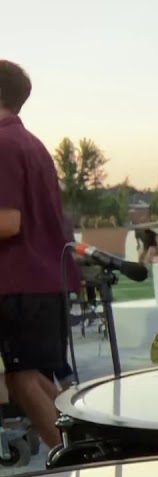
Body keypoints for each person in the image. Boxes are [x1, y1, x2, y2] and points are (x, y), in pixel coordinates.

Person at [0, 60, 77, 453]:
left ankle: (74, 460)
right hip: (45, 278)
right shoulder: (31, 144)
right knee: (27, 376)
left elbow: (9, 222)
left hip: (20, 280)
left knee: (24, 378)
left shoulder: (3, 144)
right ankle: (82, 443)